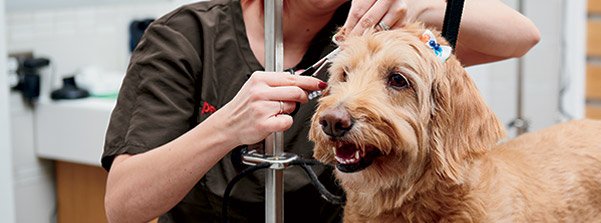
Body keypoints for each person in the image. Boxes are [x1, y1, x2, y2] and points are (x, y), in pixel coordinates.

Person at [101, 0, 540, 222]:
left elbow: (521, 37)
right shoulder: (185, 37)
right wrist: (226, 127)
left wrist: (423, 4)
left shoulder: (375, 30)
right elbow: (123, 206)